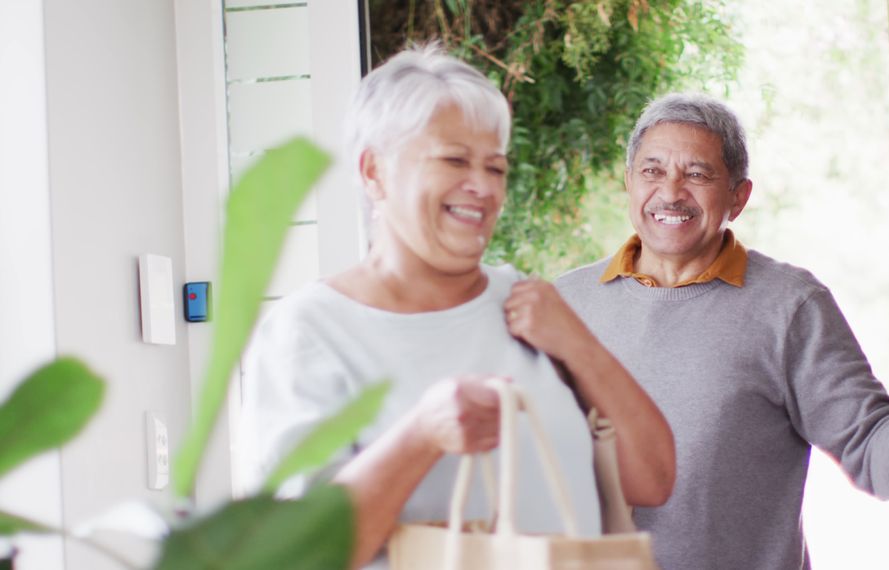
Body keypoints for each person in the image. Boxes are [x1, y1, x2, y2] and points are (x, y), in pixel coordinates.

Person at [238, 46, 674, 570]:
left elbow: (653, 479)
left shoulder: (528, 305)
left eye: (496, 167)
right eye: (453, 160)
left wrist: (578, 345)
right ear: (374, 171)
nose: (483, 187)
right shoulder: (309, 331)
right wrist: (422, 433)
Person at [555, 92, 889, 569]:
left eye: (697, 174)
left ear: (739, 196)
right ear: (628, 183)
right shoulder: (563, 303)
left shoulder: (789, 306)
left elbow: (870, 445)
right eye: (652, 171)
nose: (670, 191)